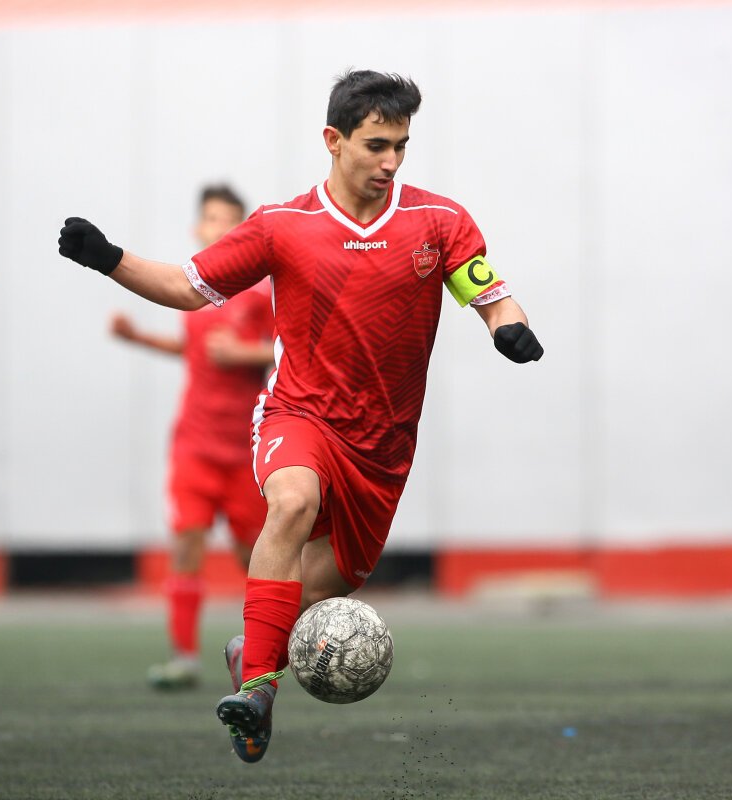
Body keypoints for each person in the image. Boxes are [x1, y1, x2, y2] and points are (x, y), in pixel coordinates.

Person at [57, 69, 544, 763]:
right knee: (291, 502)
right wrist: (107, 258)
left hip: (384, 449)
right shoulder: (282, 226)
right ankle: (258, 693)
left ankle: (250, 653)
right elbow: (186, 287)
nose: (391, 161)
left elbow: (490, 293)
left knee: (317, 592)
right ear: (333, 140)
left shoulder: (439, 222)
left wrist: (508, 327)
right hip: (299, 413)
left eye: (401, 146)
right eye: (376, 145)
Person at [109, 184, 276, 690]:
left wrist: (245, 354)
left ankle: (269, 654)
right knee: (185, 547)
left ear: (244, 231)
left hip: (246, 448)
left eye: (230, 220)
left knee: (257, 558)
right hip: (194, 445)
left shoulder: (261, 293)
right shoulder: (194, 290)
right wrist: (138, 338)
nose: (220, 228)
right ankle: (183, 658)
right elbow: (195, 351)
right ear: (198, 227)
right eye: (212, 218)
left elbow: (289, 350)